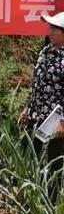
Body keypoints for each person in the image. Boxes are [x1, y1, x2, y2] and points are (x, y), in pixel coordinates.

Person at [20, 12, 64, 173]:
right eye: (50, 28)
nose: (50, 32)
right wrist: (28, 107)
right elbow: (36, 84)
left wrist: (62, 122)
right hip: (36, 116)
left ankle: (52, 196)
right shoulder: (45, 52)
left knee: (53, 160)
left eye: (54, 29)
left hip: (54, 120)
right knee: (32, 156)